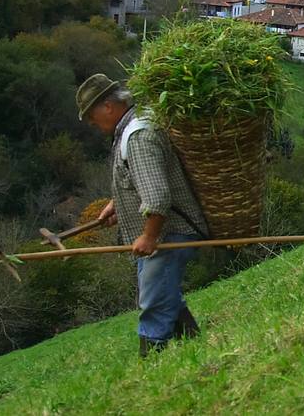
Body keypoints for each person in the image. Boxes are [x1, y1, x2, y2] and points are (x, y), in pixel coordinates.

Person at [76, 73, 209, 356]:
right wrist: (118, 205)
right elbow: (142, 178)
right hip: (166, 230)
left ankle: (151, 363)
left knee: (153, 301)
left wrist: (149, 236)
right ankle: (196, 345)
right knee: (163, 292)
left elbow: (158, 196)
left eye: (91, 115)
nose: (91, 123)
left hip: (169, 232)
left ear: (108, 106)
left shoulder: (137, 136)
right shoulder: (131, 130)